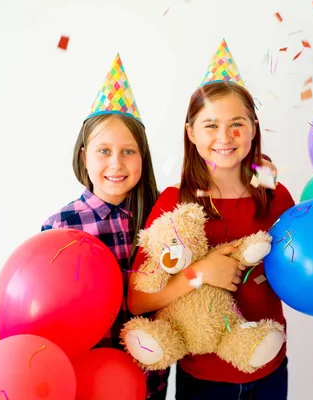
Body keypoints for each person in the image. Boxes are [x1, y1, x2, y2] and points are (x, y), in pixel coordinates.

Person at [126, 40, 295, 399]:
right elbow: (138, 299)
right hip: (202, 377)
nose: (224, 137)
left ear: (253, 128)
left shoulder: (277, 196)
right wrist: (199, 273)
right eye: (210, 126)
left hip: (269, 367)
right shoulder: (175, 202)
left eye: (237, 124)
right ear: (190, 133)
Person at [41, 54, 169, 400]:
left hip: (150, 379)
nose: (116, 163)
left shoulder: (161, 217)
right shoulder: (59, 229)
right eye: (103, 151)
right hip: (88, 382)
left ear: (143, 157)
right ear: (84, 156)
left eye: (128, 151)